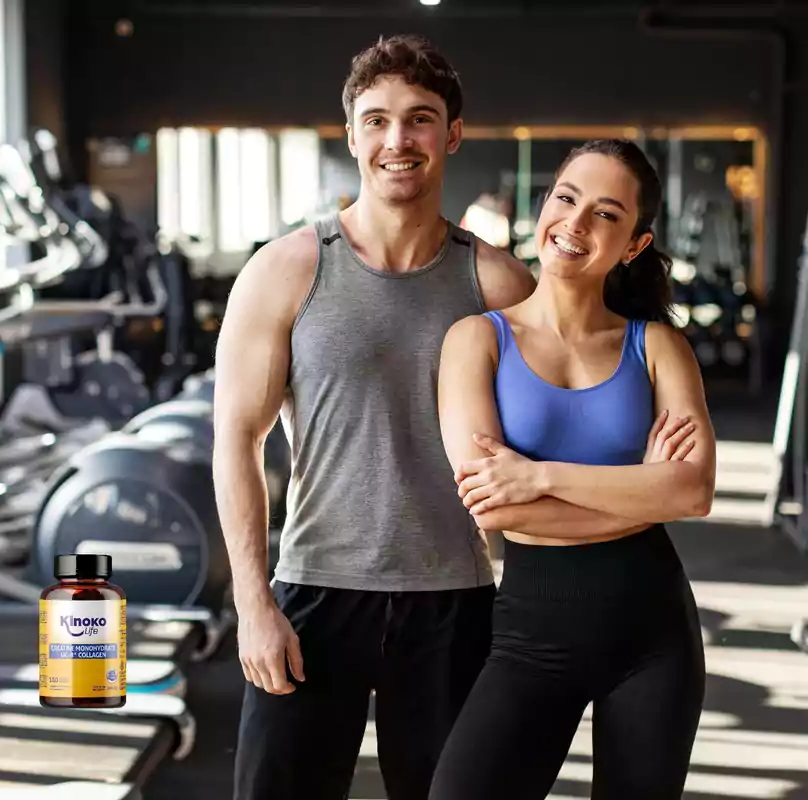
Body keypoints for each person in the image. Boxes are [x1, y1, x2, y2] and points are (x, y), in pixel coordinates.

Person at [212, 35, 536, 799]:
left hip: (454, 599)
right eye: (378, 120)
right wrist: (252, 603)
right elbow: (236, 438)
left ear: (451, 135)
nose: (399, 140)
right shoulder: (287, 269)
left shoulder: (496, 280)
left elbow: (564, 411)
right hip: (316, 591)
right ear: (352, 134)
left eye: (420, 119)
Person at [428, 138, 715, 799]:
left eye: (607, 214)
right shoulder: (477, 340)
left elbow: (693, 490)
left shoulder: (658, 346)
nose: (577, 224)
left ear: (636, 243)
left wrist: (540, 476)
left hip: (655, 635)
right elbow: (494, 508)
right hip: (532, 634)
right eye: (566, 198)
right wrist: (644, 489)